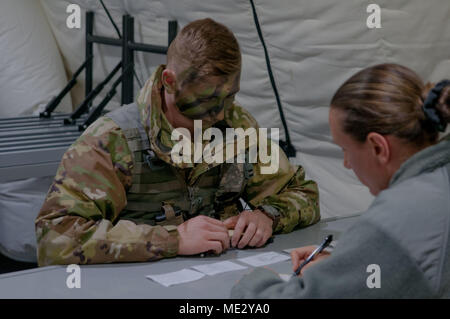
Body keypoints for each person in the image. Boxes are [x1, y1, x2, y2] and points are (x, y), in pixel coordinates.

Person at [35, 18, 320, 266]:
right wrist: (173, 240)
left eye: (230, 96)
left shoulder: (237, 126)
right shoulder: (112, 141)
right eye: (207, 99)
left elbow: (304, 194)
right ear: (170, 82)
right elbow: (56, 237)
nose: (220, 113)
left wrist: (267, 215)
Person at [231, 63, 450, 298]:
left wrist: (256, 281)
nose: (346, 163)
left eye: (345, 149)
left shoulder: (395, 219)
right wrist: (347, 266)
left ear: (378, 147)